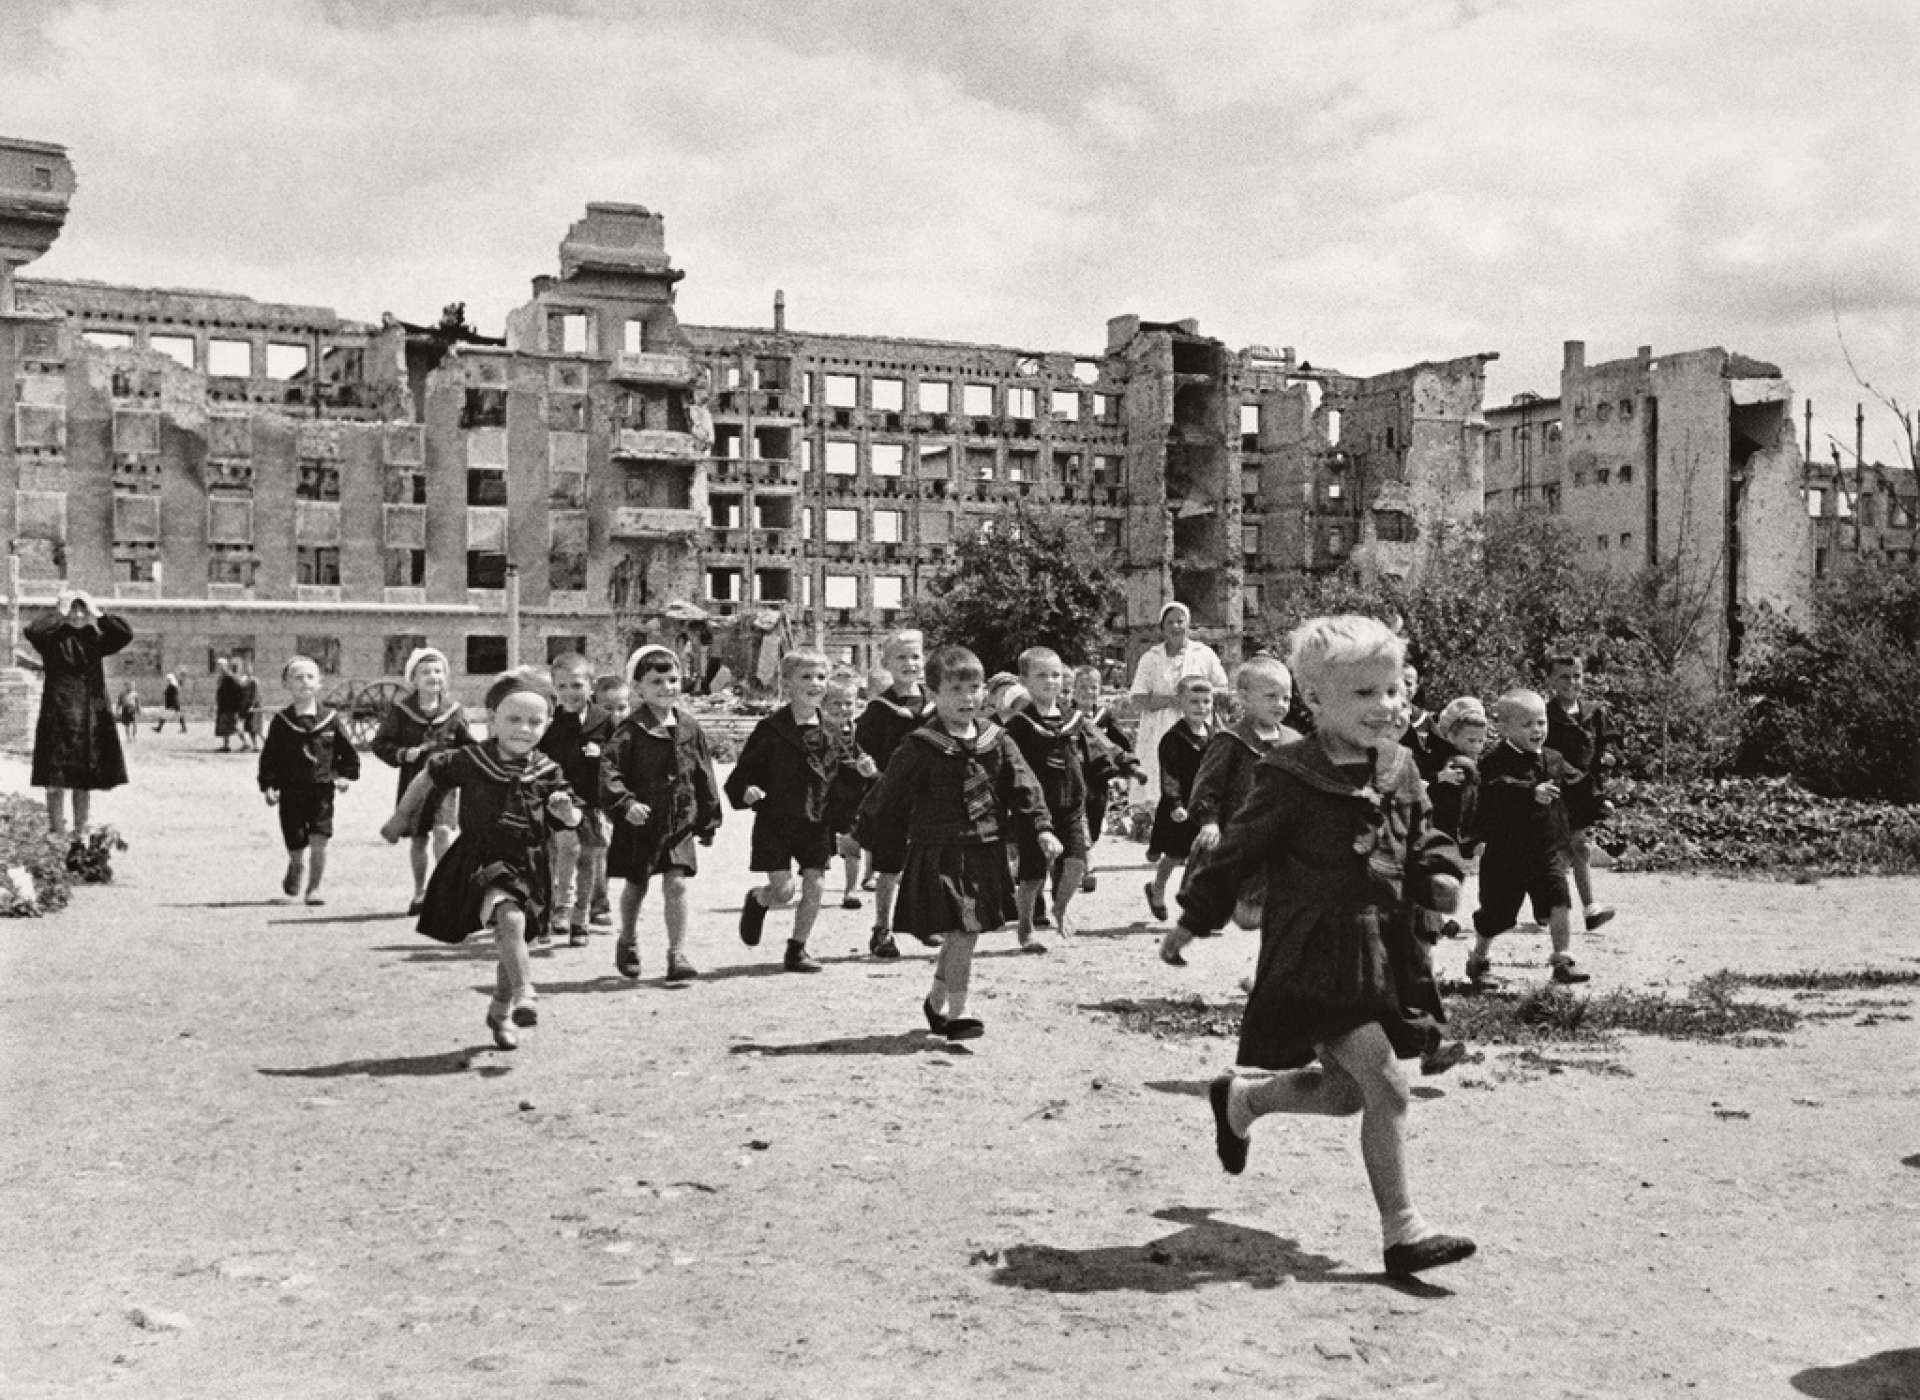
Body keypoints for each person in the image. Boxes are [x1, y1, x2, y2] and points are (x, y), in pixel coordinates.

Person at [1170, 615, 1474, 1280]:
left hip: (1384, 950)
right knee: (1388, 1084)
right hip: (1316, 955)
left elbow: (1424, 835)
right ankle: (1403, 1231)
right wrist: (1195, 918)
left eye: (1392, 691)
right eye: (1364, 694)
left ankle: (1242, 1101)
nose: (1386, 706)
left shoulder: (1400, 765)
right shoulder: (1288, 771)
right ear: (1315, 700)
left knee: (1345, 1096)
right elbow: (1239, 849)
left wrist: (1442, 872)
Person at [857, 645, 1059, 1041]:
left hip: (985, 847)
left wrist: (1043, 827)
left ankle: (935, 1001)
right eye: (955, 690)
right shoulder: (920, 745)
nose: (968, 698)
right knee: (963, 929)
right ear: (933, 695)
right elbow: (888, 795)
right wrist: (857, 835)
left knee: (962, 931)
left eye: (974, 689)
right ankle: (961, 1010)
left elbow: (1024, 785)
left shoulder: (996, 740)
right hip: (939, 851)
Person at [382, 670, 582, 1051]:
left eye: (534, 722)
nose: (524, 729)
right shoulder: (473, 759)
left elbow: (571, 818)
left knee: (517, 936)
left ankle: (501, 1008)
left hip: (531, 862)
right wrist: (400, 817)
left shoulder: (547, 771)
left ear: (548, 725)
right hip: (483, 857)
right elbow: (428, 775)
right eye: (513, 719)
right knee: (509, 916)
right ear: (491, 719)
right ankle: (527, 993)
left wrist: (566, 810)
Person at [725, 649, 875, 973]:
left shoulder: (832, 731)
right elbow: (743, 774)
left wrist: (863, 771)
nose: (815, 683)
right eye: (806, 677)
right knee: (784, 892)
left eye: (821, 677)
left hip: (816, 821)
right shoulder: (771, 729)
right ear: (788, 682)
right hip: (776, 819)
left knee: (816, 883)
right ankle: (759, 899)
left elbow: (845, 771)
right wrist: (746, 791)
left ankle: (797, 948)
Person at [1159, 656, 1300, 966]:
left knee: (1282, 911)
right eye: (1271, 696)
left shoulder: (1294, 743)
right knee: (1232, 908)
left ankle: (1268, 975)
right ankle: (1175, 943)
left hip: (1282, 843)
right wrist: (1208, 822)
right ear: (1245, 698)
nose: (1281, 704)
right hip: (1240, 838)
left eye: (1287, 697)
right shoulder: (1232, 741)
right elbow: (1207, 786)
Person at [600, 646, 721, 983]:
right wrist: (625, 803)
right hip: (641, 823)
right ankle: (628, 940)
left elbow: (703, 772)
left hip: (679, 820)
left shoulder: (689, 727)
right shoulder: (629, 730)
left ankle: (677, 954)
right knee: (636, 885)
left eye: (673, 679)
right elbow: (609, 772)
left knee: (677, 884)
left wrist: (709, 818)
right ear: (638, 687)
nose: (667, 687)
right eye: (657, 682)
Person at [1465, 689, 1592, 988]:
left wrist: (1598, 801)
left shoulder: (1554, 758)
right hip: (1506, 855)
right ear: (1503, 728)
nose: (1537, 730)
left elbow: (1577, 782)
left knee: (1559, 898)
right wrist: (1529, 792)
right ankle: (1479, 958)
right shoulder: (1495, 760)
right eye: (1527, 725)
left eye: (1541, 722)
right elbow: (1494, 789)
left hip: (1546, 849)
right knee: (1497, 915)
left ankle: (1562, 959)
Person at [1005, 646, 1103, 948]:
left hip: (1071, 803)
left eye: (1056, 675)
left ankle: (1061, 906)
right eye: (1042, 675)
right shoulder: (1020, 725)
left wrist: (1122, 764)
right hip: (1035, 808)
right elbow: (1008, 763)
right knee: (1033, 873)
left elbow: (1097, 748)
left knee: (1076, 862)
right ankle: (1025, 925)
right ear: (1024, 680)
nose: (1051, 681)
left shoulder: (1073, 719)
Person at [370, 647, 473, 915]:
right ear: (413, 679)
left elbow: (469, 747)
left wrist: (454, 758)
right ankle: (420, 892)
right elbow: (380, 743)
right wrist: (403, 753)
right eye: (425, 672)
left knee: (443, 833)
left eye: (438, 671)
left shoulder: (454, 711)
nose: (433, 676)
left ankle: (444, 891)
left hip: (444, 787)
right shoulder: (402, 711)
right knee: (418, 838)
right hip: (412, 784)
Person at [26, 588, 132, 834]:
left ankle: (80, 829)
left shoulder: (93, 638)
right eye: (72, 609)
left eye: (81, 608)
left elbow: (124, 634)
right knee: (55, 775)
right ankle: (56, 831)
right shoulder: (52, 639)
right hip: (57, 713)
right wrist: (58, 613)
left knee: (83, 777)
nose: (77, 614)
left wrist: (98, 613)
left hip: (88, 716)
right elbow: (33, 631)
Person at [258, 655, 360, 905]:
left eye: (310, 677)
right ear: (286, 685)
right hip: (291, 791)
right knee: (295, 839)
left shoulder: (330, 719)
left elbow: (347, 753)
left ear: (319, 683)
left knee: (319, 839)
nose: (305, 682)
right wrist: (269, 785)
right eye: (298, 677)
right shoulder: (282, 722)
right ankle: (295, 864)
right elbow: (270, 757)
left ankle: (314, 889)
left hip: (322, 790)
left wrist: (344, 775)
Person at [854, 629, 930, 953]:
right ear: (886, 662)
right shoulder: (878, 709)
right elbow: (859, 748)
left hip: (928, 798)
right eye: (901, 657)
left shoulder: (934, 705)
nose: (909, 663)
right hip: (892, 797)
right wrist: (865, 766)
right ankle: (882, 929)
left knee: (929, 863)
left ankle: (926, 923)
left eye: (915, 656)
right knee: (889, 868)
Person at [538, 653, 617, 948]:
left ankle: (580, 918)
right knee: (558, 852)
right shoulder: (551, 722)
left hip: (592, 801)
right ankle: (557, 909)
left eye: (576, 685)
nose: (570, 693)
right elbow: (539, 757)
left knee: (588, 857)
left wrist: (603, 755)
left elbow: (620, 757)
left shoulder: (604, 720)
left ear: (591, 686)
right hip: (558, 798)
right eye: (562, 687)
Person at [1544, 654, 1619, 933]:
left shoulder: (1595, 712)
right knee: (1557, 852)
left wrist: (1610, 757)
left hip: (1585, 793)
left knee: (1580, 848)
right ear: (1551, 680)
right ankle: (1549, 905)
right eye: (1564, 676)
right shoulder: (1545, 715)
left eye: (1576, 676)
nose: (1571, 682)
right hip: (1555, 792)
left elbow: (1608, 743)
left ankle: (1589, 909)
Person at [1128, 601, 1228, 797]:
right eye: (1170, 622)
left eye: (1180, 621)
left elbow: (1223, 689)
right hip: (1159, 728)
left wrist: (1197, 699)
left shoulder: (1204, 654)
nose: (1175, 627)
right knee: (1159, 781)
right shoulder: (1151, 658)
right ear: (1162, 627)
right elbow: (1137, 699)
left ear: (1188, 625)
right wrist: (1173, 700)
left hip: (1197, 726)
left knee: (1196, 776)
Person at [1144, 675, 1215, 921]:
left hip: (1206, 806)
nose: (1201, 707)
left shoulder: (1216, 737)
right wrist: (1174, 803)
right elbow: (1169, 774)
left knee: (1207, 855)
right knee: (1175, 855)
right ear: (1181, 704)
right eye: (1194, 701)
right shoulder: (1174, 738)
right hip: (1181, 805)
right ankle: (1157, 889)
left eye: (1206, 701)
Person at [1070, 664, 1141, 892]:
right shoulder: (1065, 715)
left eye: (1093, 687)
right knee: (1077, 821)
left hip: (1098, 777)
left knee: (1095, 819)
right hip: (1073, 776)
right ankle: (1086, 866)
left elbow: (1122, 743)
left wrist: (1126, 768)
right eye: (1082, 687)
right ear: (1072, 689)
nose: (1088, 692)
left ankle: (1084, 854)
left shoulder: (1104, 716)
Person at [821, 672, 874, 918]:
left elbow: (865, 754)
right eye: (836, 703)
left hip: (852, 794)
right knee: (821, 843)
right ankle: (814, 883)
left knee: (852, 840)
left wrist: (867, 766)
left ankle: (851, 889)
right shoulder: (819, 731)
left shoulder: (859, 729)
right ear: (824, 704)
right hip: (826, 795)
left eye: (848, 703)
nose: (843, 709)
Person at [584, 673, 632, 928]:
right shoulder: (592, 731)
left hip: (622, 802)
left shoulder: (632, 733)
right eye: (608, 707)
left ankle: (599, 898)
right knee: (597, 848)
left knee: (608, 850)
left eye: (622, 707)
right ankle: (598, 903)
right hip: (594, 801)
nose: (616, 713)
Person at [213, 657, 245, 752]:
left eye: (220, 666)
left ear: (224, 666)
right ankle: (226, 745)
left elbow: (239, 690)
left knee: (234, 726)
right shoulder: (222, 678)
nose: (218, 668)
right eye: (218, 666)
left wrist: (238, 705)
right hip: (223, 706)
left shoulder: (230, 677)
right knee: (224, 727)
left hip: (230, 706)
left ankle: (246, 743)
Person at [238, 660, 263, 752]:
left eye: (249, 669)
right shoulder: (243, 680)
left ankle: (261, 745)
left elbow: (256, 694)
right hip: (244, 707)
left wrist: (252, 705)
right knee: (245, 727)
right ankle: (250, 744)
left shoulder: (254, 681)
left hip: (253, 707)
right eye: (245, 669)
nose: (247, 670)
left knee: (254, 728)